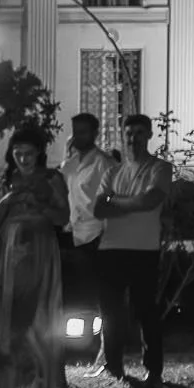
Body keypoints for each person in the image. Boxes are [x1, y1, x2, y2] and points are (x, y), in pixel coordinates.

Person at [0, 126, 70, 388]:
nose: (23, 159)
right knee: (9, 310)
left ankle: (41, 380)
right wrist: (8, 200)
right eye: (18, 153)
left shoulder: (52, 178)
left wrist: (39, 205)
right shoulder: (5, 180)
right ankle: (9, 381)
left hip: (39, 249)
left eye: (29, 153)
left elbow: (62, 217)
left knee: (38, 311)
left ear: (40, 154)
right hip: (9, 249)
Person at [94, 113, 174, 386]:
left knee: (146, 311)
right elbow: (99, 208)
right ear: (122, 135)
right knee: (110, 311)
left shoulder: (160, 168)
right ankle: (113, 365)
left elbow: (151, 201)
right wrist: (132, 202)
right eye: (129, 132)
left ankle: (153, 369)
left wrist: (116, 201)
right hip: (110, 248)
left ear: (149, 135)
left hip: (143, 248)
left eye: (139, 132)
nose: (133, 138)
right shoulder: (113, 172)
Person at [58, 111, 114, 373]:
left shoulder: (104, 163)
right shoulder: (70, 163)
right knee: (75, 295)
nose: (78, 136)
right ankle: (72, 346)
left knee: (98, 296)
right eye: (75, 131)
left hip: (93, 235)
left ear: (94, 133)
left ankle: (105, 351)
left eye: (83, 131)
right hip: (71, 233)